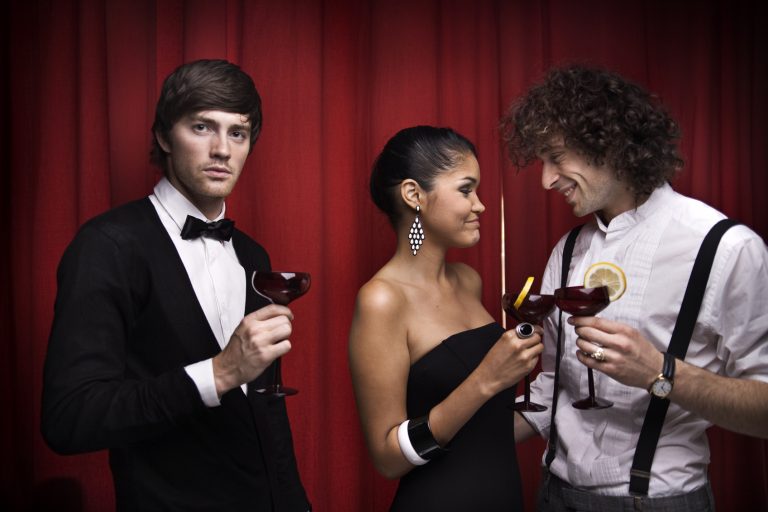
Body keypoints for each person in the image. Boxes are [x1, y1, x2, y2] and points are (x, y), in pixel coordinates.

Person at [41, 59, 311, 511]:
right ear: (165, 137)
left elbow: (267, 411)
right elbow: (70, 418)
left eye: (238, 133)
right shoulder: (108, 246)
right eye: (202, 127)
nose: (222, 150)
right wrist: (218, 374)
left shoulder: (253, 256)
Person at [500, 64, 768, 511]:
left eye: (556, 156)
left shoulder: (725, 248)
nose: (546, 179)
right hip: (553, 495)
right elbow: (553, 386)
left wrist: (659, 374)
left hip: (658, 501)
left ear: (609, 144)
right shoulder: (568, 250)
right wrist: (453, 440)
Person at [348, 125, 543, 511]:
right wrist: (486, 380)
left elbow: (483, 430)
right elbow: (388, 459)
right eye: (466, 190)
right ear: (413, 194)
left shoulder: (468, 281)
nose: (480, 205)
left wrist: (558, 402)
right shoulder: (382, 300)